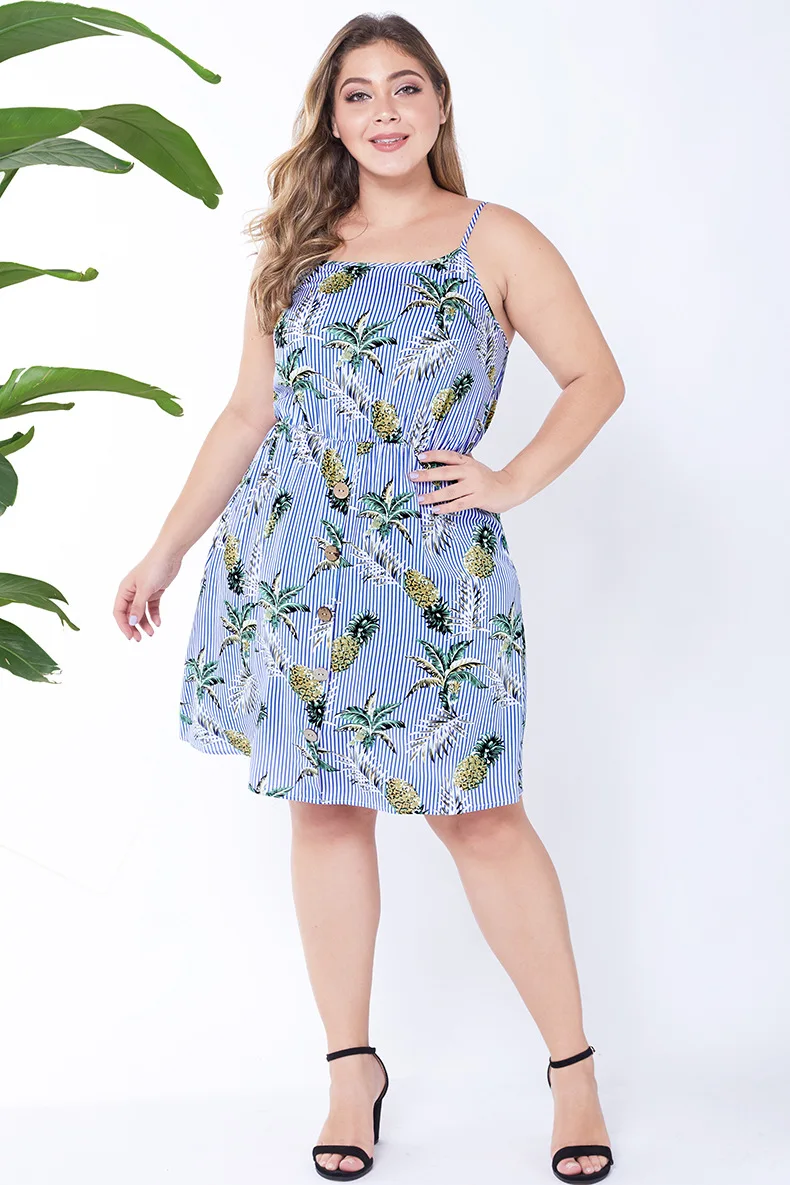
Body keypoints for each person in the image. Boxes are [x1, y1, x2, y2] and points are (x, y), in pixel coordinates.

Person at [113, 13, 624, 1182]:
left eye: (404, 88)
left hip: (436, 573)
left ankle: (574, 1073)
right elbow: (247, 415)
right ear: (332, 118)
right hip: (293, 565)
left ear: (438, 105)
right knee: (324, 812)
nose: (383, 111)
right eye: (358, 94)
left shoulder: (496, 238)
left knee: (481, 816)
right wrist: (164, 551)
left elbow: (594, 379)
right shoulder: (295, 245)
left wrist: (509, 479)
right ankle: (351, 1071)